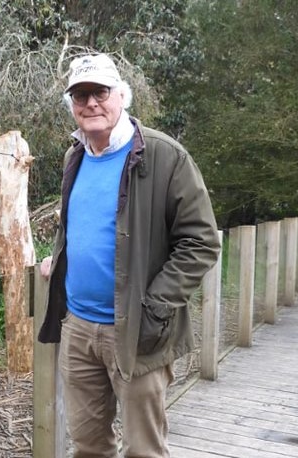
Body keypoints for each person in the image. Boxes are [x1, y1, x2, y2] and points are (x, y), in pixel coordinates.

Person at [37, 53, 221, 458]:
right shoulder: (76, 156)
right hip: (79, 328)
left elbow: (201, 241)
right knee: (87, 446)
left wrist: (155, 307)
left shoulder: (164, 157)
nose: (91, 104)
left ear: (121, 95)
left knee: (144, 450)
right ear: (71, 105)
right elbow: (79, 226)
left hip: (139, 331)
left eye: (100, 92)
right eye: (80, 95)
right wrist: (60, 260)